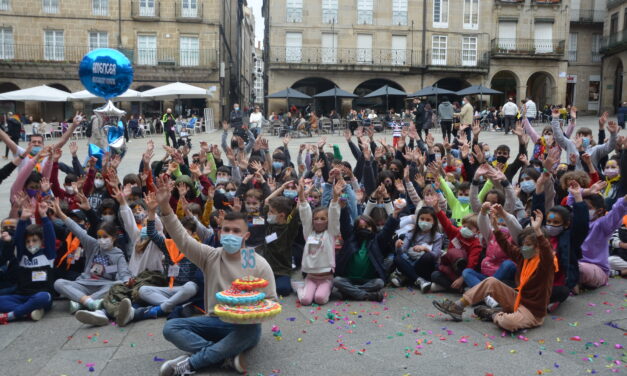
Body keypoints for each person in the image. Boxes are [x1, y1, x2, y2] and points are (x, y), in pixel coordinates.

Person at [155, 175, 277, 376]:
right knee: (171, 328)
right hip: (214, 321)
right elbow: (182, 239)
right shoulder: (211, 255)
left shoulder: (253, 260)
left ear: (245, 236)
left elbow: (270, 300)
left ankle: (191, 364)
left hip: (244, 326)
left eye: (235, 231)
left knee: (249, 331)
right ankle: (225, 355)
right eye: (225, 230)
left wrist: (248, 310)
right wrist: (166, 208)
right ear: (219, 233)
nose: (229, 234)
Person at [433, 210, 555, 332]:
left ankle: (492, 314)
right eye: (523, 244)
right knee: (491, 281)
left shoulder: (546, 264)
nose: (524, 247)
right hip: (518, 299)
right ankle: (458, 307)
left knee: (509, 322)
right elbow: (507, 247)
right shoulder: (524, 256)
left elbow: (547, 254)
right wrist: (496, 228)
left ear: (538, 246)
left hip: (532, 311)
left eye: (528, 244)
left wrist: (538, 231)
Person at [0, 201, 55, 323]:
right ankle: (28, 311)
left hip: (41, 295)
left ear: (41, 241)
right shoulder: (21, 256)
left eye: (34, 241)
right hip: (22, 296)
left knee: (43, 297)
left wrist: (44, 217)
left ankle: (11, 315)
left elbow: (50, 236)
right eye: (28, 241)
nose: (31, 244)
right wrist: (23, 219)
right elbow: (18, 239)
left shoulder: (48, 255)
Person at [294, 178, 340, 306]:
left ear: (328, 220)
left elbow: (335, 217)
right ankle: (300, 287)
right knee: (305, 300)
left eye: (323, 218)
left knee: (320, 299)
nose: (319, 221)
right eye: (316, 219)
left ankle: (327, 288)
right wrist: (302, 197)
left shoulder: (331, 233)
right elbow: (305, 216)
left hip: (326, 278)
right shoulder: (309, 233)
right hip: (310, 277)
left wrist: (335, 199)